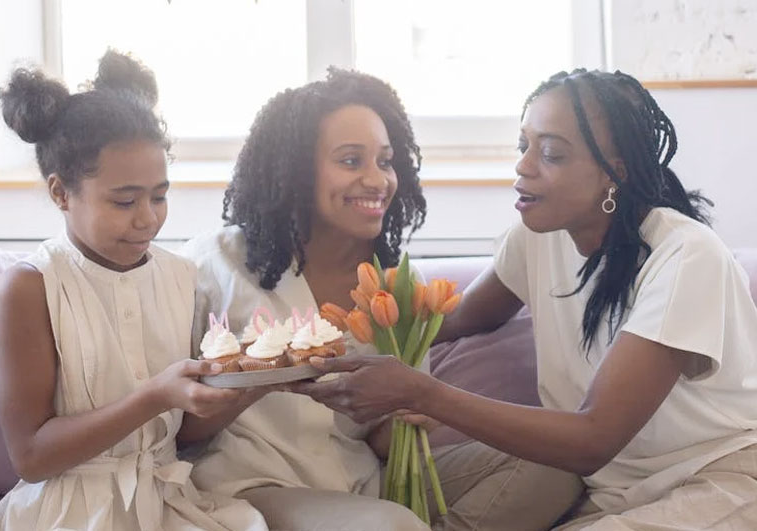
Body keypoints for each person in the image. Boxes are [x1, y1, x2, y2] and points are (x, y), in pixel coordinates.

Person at [293, 68, 757, 530]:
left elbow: (594, 438)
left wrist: (423, 393)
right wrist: (338, 327)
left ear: (614, 173)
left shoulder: (685, 258)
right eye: (523, 146)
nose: (523, 166)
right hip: (611, 494)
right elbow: (454, 319)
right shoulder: (539, 236)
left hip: (718, 478)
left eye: (551, 153)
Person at [182, 68, 578, 530]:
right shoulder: (215, 264)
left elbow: (380, 443)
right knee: (390, 525)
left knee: (556, 466)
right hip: (253, 489)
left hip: (361, 484)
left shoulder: (393, 290)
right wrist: (261, 375)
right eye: (351, 161)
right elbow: (176, 430)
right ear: (295, 169)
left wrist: (412, 415)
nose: (377, 180)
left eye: (385, 161)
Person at [0, 51, 268, 531]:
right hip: (67, 513)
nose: (147, 218)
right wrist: (155, 394)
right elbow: (30, 457)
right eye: (125, 200)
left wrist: (256, 382)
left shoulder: (180, 276)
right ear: (60, 193)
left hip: (165, 503)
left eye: (159, 196)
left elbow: (184, 434)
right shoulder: (30, 286)